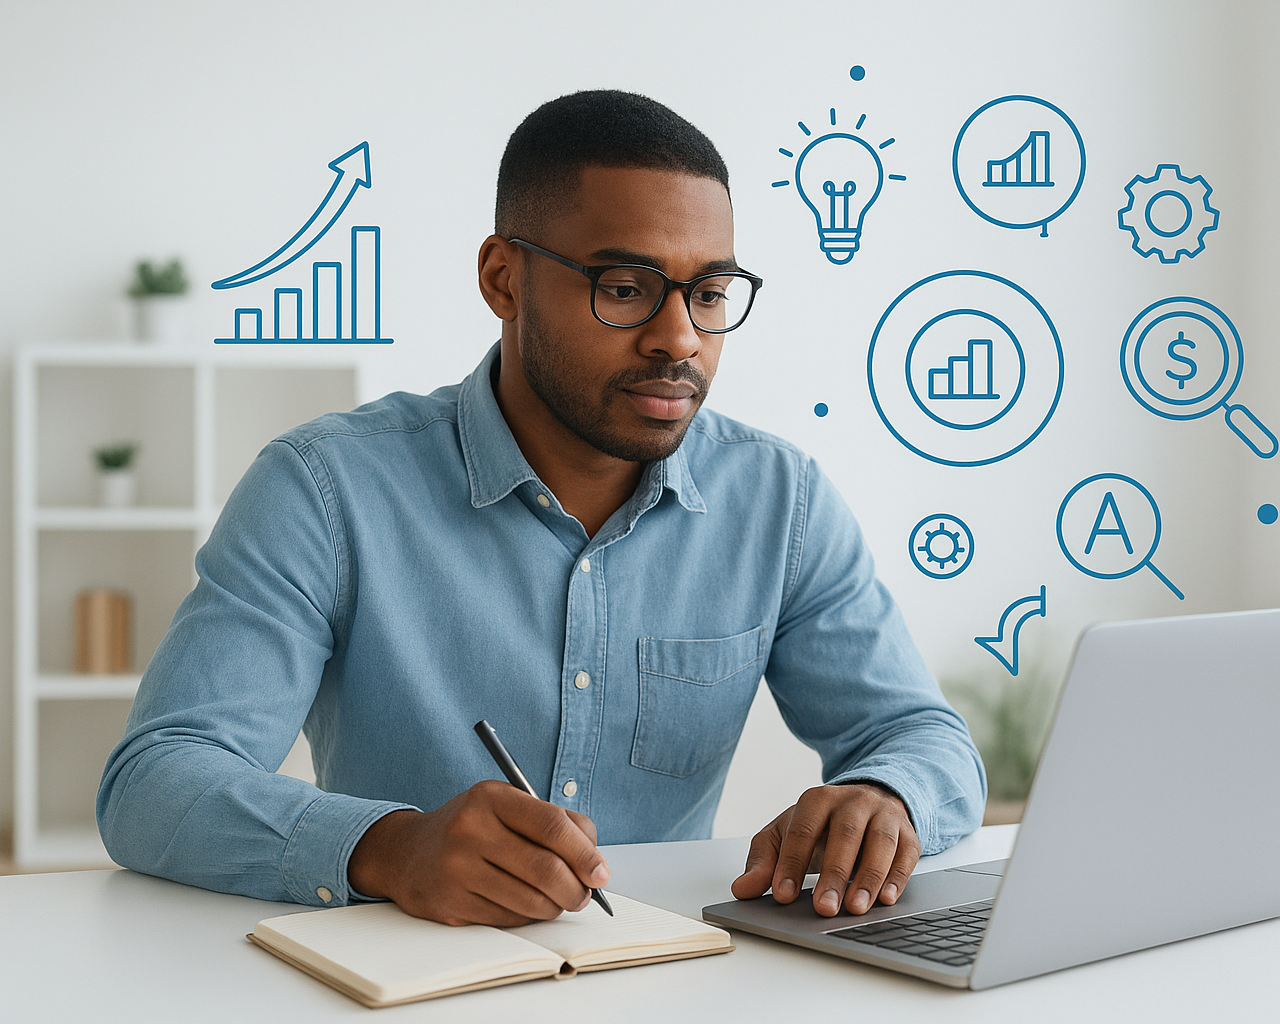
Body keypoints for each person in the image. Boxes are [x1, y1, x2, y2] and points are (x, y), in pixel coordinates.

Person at [97, 90, 985, 926]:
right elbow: (156, 780)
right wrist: (389, 847)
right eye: (626, 286)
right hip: (410, 983)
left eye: (708, 294)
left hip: (672, 979)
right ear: (503, 280)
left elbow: (919, 735)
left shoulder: (780, 502)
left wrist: (889, 796)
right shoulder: (325, 489)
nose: (679, 338)